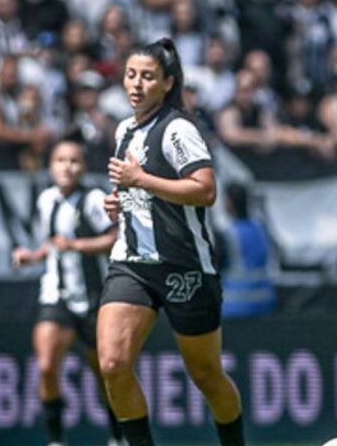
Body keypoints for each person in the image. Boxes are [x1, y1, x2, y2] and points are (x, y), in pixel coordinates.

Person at [98, 37, 243, 446]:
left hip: (185, 265)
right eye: (130, 75)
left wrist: (140, 181)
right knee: (112, 363)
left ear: (167, 83)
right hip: (131, 262)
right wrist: (121, 202)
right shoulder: (124, 129)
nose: (136, 85)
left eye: (147, 77)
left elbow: (205, 190)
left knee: (207, 375)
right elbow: (139, 193)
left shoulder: (178, 128)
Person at [11, 138, 123, 446]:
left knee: (106, 372)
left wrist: (76, 245)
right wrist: (33, 255)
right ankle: (56, 440)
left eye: (74, 161)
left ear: (83, 167)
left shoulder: (93, 199)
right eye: (61, 160)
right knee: (46, 365)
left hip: (93, 298)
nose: (67, 167)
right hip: (56, 295)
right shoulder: (46, 200)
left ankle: (118, 437)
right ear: (51, 166)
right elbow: (53, 243)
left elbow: (115, 238)